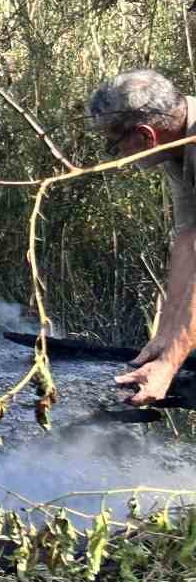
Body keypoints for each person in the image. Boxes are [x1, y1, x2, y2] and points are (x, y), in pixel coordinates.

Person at [86, 69, 196, 404]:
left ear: (146, 136)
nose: (117, 155)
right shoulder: (176, 143)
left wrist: (168, 364)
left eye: (115, 144)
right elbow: (189, 239)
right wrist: (165, 334)